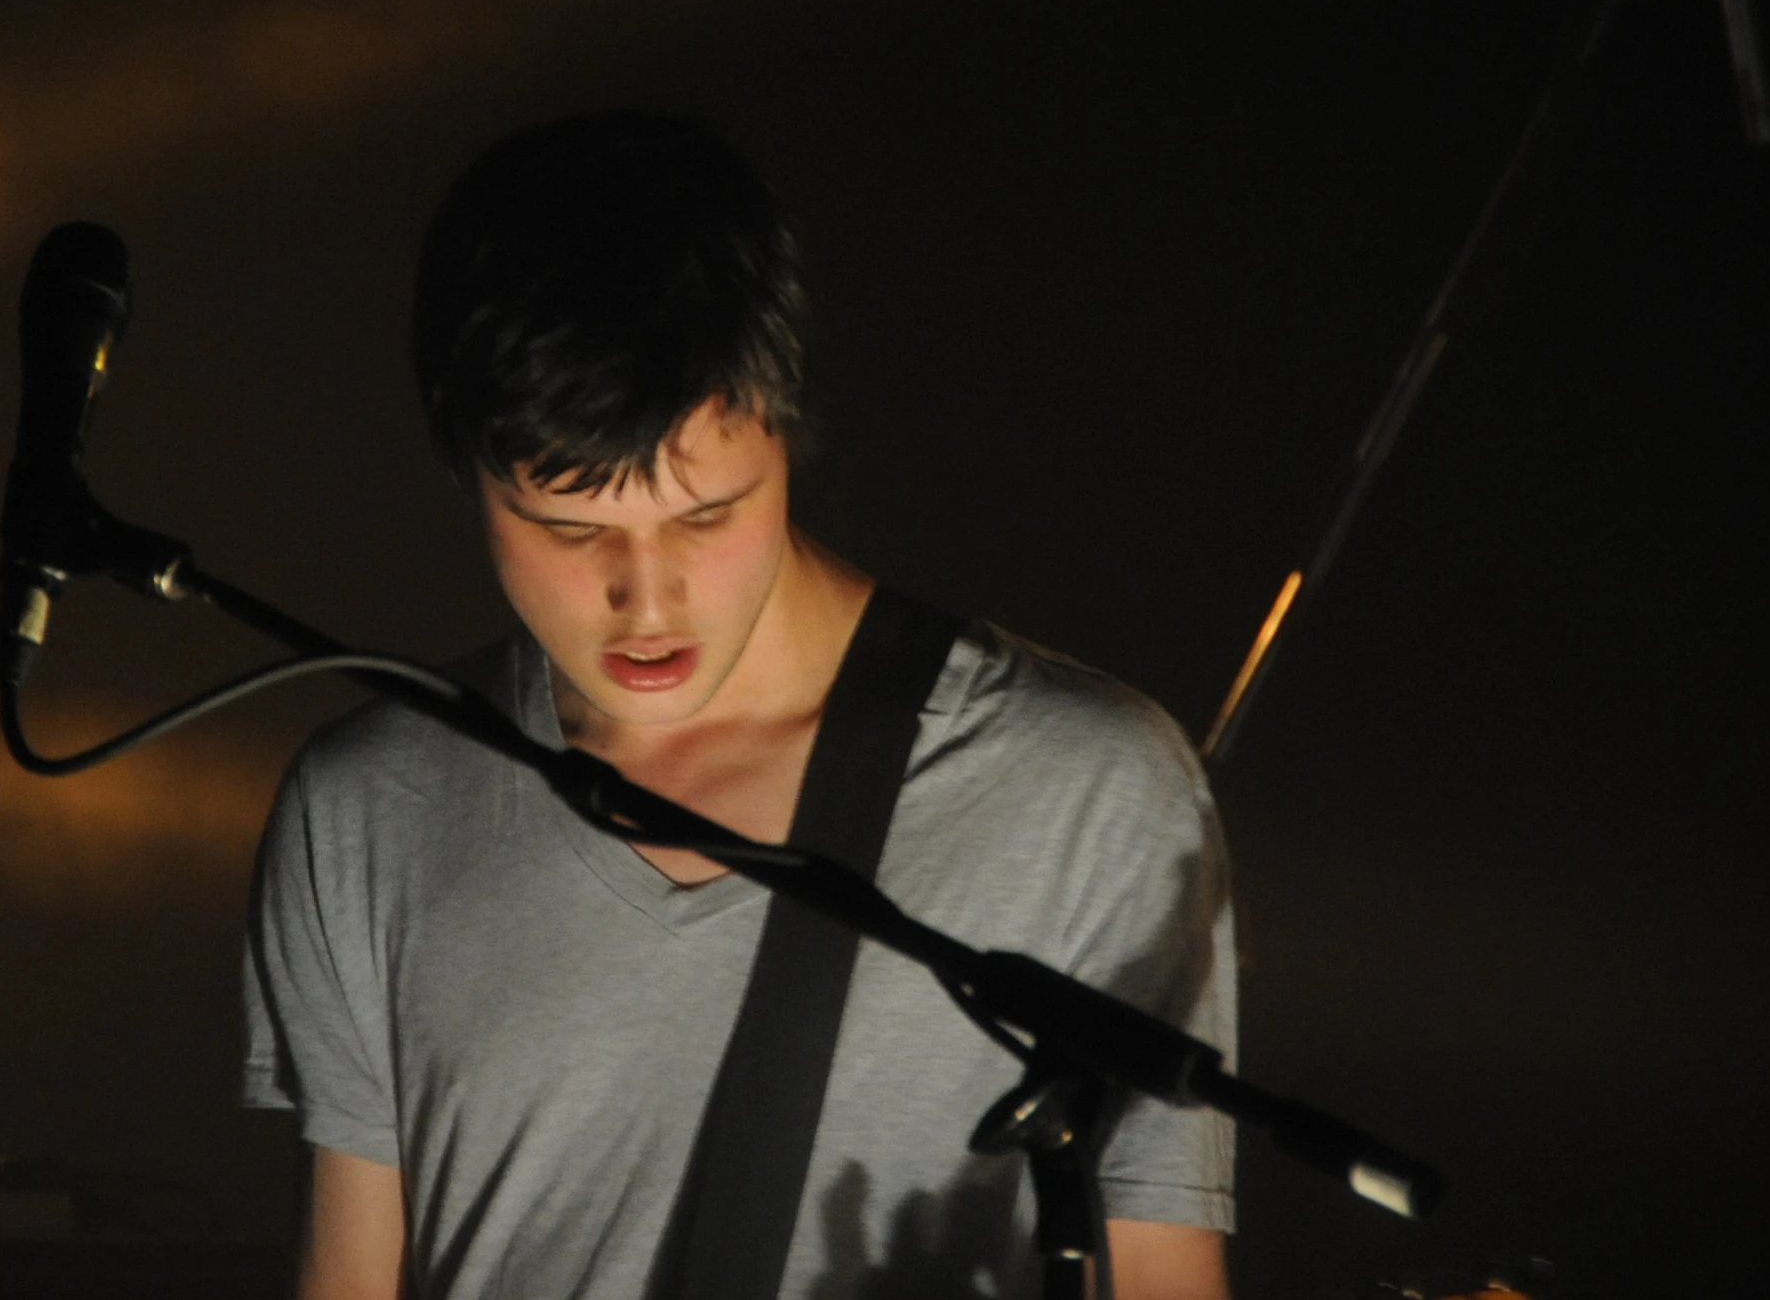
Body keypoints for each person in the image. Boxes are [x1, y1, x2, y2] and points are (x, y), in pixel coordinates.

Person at [243, 111, 1236, 1299]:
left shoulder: (1087, 789)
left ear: (786, 433)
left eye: (706, 514)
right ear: (464, 470)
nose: (645, 597)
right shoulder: (368, 807)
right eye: (570, 529)